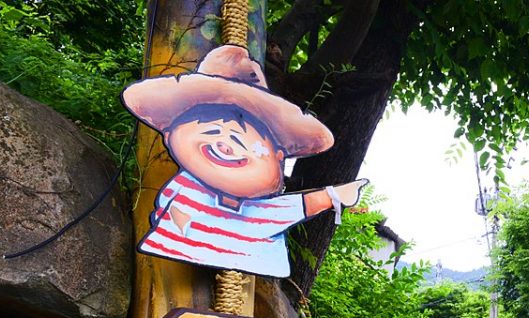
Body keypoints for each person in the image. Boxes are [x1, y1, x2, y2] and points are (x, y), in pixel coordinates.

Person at [122, 45, 366, 277]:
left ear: (278, 157)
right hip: (174, 257)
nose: (225, 143)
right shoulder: (185, 188)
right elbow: (165, 209)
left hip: (252, 263)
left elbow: (291, 209)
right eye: (210, 127)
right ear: (169, 132)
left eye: (243, 136)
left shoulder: (262, 211)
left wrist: (331, 196)